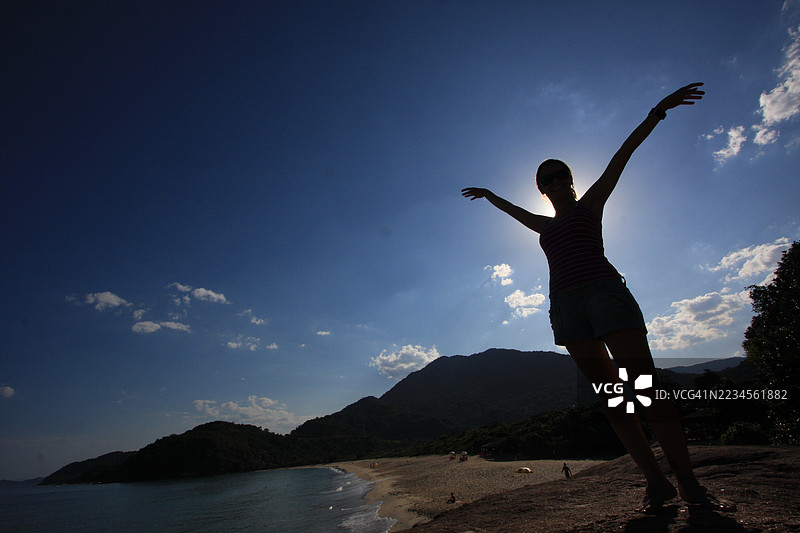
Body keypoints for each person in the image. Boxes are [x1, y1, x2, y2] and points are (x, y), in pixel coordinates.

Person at [462, 82, 735, 513]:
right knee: (612, 398)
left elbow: (622, 156)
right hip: (568, 310)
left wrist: (656, 112)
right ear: (542, 189)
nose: (554, 182)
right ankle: (656, 483)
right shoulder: (542, 225)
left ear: (571, 181)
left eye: (560, 175)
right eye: (545, 179)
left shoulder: (591, 205)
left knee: (645, 391)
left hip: (606, 297)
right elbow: (512, 211)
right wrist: (490, 195)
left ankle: (687, 483)